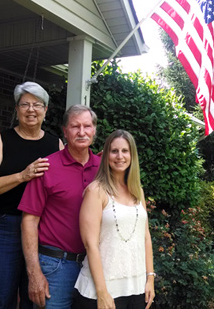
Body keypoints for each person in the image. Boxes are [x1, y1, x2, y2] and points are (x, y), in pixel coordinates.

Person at [0, 81, 64, 309]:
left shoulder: (55, 144)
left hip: (42, 228)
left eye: (37, 104)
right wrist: (22, 176)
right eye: (24, 104)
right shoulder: (2, 140)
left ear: (46, 110)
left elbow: (67, 184)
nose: (31, 110)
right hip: (6, 225)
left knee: (34, 296)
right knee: (3, 296)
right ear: (17, 110)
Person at [18, 104, 101, 309]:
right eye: (75, 127)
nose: (81, 132)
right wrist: (34, 272)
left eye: (87, 126)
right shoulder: (47, 167)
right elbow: (29, 221)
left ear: (94, 130)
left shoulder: (103, 168)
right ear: (65, 131)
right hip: (56, 266)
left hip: (94, 265)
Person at [73, 129, 155, 309]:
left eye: (125, 151)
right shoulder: (96, 191)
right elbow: (90, 245)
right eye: (114, 151)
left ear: (132, 155)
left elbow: (146, 237)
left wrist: (150, 279)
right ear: (106, 155)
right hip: (102, 289)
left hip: (137, 287)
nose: (120, 156)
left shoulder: (137, 191)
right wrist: (102, 292)